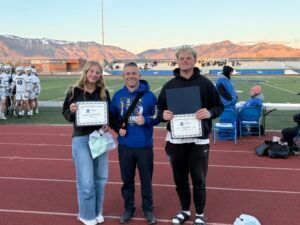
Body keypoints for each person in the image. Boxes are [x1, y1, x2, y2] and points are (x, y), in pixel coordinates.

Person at [157, 46, 224, 225]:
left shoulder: (205, 83)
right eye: (182, 58)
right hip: (175, 140)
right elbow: (159, 110)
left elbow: (219, 107)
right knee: (180, 179)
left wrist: (209, 113)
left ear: (195, 60)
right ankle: (185, 210)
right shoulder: (169, 85)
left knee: (198, 179)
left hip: (198, 140)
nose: (185, 61)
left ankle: (200, 213)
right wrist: (163, 115)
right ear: (177, 60)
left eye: (188, 58)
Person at [110, 62, 159, 224]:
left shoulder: (150, 96)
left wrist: (145, 120)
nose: (131, 76)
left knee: (146, 180)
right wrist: (118, 128)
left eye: (134, 73)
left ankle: (148, 209)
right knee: (127, 180)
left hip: (144, 146)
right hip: (125, 146)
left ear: (139, 75)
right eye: (128, 73)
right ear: (123, 76)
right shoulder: (117, 95)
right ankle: (129, 208)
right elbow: (112, 118)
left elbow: (158, 117)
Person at [62, 61, 110, 225]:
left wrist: (106, 123)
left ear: (100, 74)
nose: (94, 74)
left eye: (97, 72)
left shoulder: (104, 92)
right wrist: (72, 110)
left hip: (99, 137)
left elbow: (107, 115)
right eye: (91, 71)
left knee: (100, 178)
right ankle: (87, 214)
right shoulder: (74, 91)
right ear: (86, 72)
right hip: (81, 139)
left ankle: (97, 211)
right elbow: (66, 115)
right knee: (86, 180)